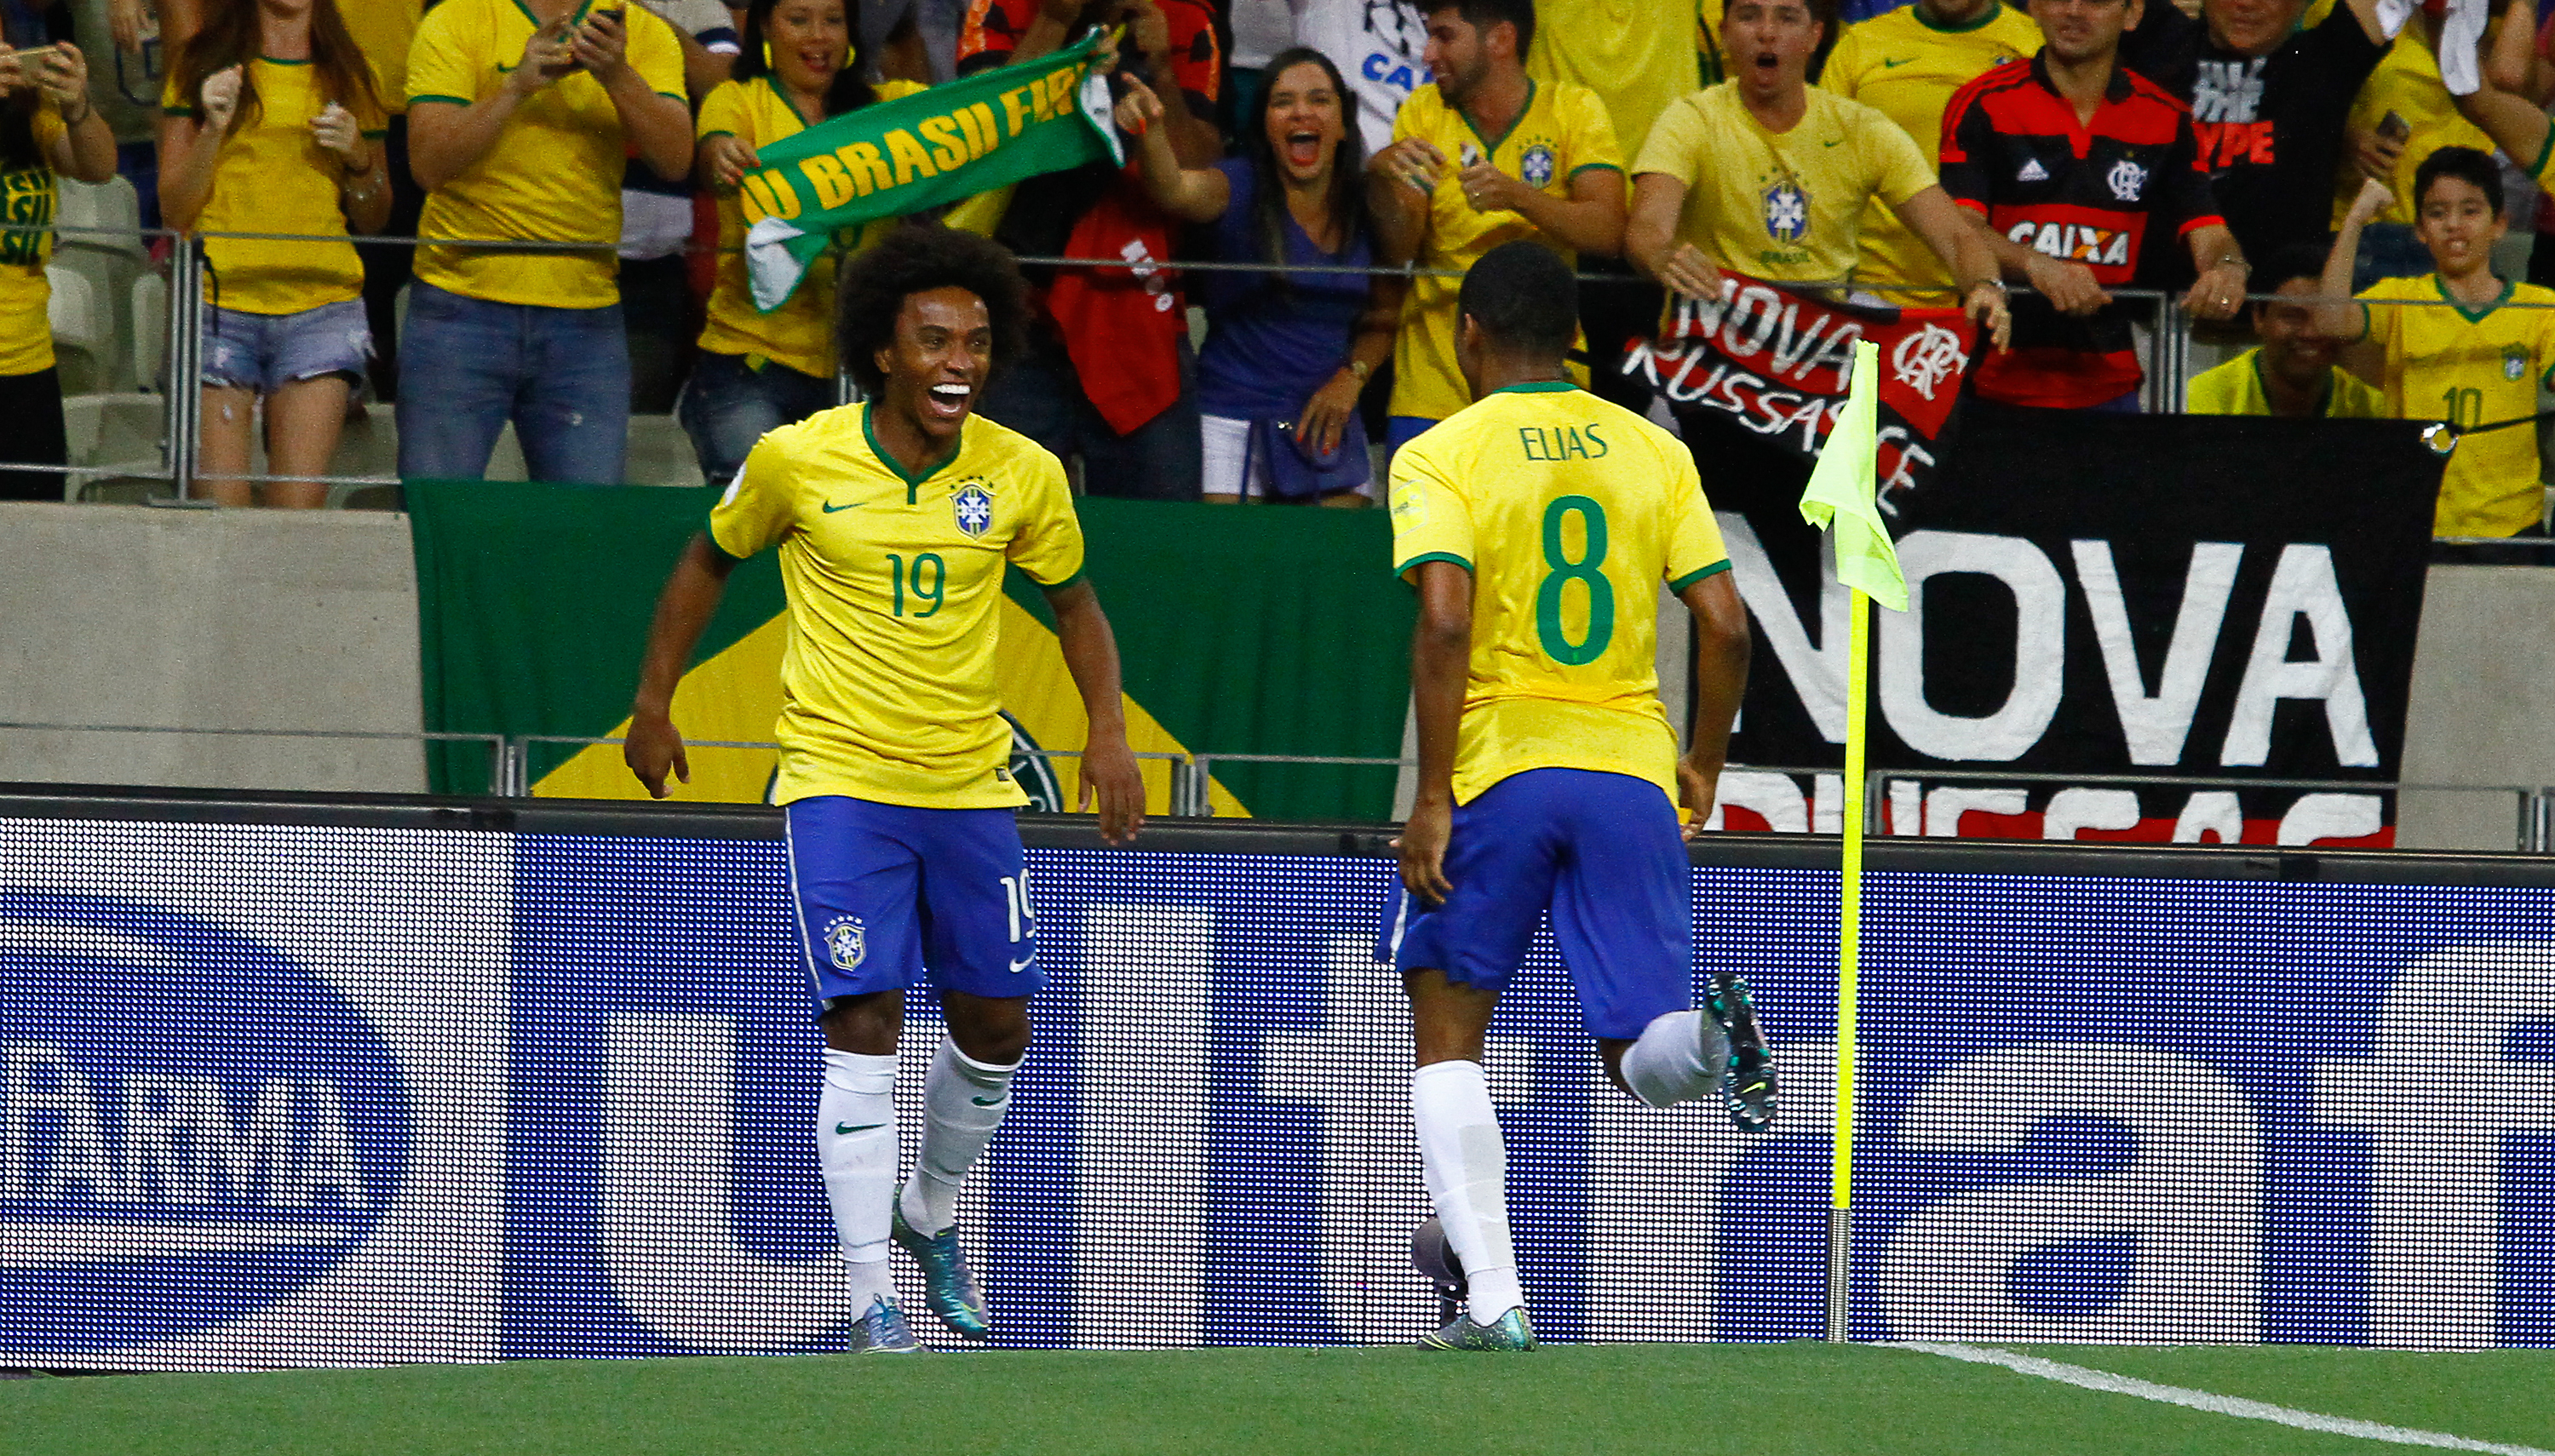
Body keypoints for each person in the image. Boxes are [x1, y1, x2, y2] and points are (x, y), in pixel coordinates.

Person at [623, 226, 1146, 1354]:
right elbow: (706, 560)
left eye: (975, 341)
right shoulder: (797, 460)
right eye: (933, 340)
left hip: (970, 785)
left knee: (998, 1024)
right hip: (840, 782)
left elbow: (1078, 605)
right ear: (884, 349)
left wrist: (1107, 731)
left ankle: (930, 1207)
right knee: (865, 1019)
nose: (958, 361)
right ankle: (871, 1298)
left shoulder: (1022, 473)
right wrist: (654, 701)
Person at [1381, 240, 1762, 1352]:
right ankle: (1709, 1033)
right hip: (1632, 772)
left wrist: (1435, 793)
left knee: (1449, 1036)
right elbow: (1727, 622)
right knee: (1642, 1051)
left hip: (1501, 766)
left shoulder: (1441, 450)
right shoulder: (1654, 451)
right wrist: (1701, 764)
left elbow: (1446, 618)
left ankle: (1495, 1299)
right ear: (1574, 339)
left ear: (1468, 336)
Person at [399, 0, 692, 483]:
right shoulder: (457, 18)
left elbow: (676, 160)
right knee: (436, 520)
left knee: (583, 533)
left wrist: (616, 75)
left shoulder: (644, 34)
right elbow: (429, 164)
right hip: (460, 307)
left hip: (586, 317)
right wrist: (515, 87)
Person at [959, 0, 1221, 500]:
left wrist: (1162, 69)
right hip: (1019, 318)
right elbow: (976, 143)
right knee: (1006, 532)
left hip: (1137, 313)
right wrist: (1054, 23)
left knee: (1160, 544)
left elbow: (1201, 169)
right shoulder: (997, 6)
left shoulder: (1185, 17)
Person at [1115, 46, 1398, 502]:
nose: (1301, 111)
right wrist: (1152, 133)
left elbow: (1387, 314)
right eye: (1282, 102)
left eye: (1320, 100)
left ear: (1344, 125)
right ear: (1264, 126)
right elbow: (1174, 189)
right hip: (1228, 417)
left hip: (1330, 415)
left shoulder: (1369, 204)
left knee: (1333, 566)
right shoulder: (1238, 184)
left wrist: (1352, 378)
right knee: (1228, 567)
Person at [1938, 0, 2249, 410]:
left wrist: (2227, 269)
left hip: (2110, 382)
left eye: (2097, 0)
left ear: (2133, 13)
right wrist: (2039, 267)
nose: (2074, 10)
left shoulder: (2167, 119)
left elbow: (2209, 230)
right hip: (1990, 377)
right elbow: (1960, 228)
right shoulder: (1980, 104)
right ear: (2034, 6)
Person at [681, 0, 928, 485]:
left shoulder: (891, 107)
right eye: (799, 20)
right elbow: (715, 154)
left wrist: (1068, 74)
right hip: (750, 364)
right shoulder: (738, 100)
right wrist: (723, 156)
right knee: (754, 518)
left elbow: (988, 111)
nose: (819, 37)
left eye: (833, 21)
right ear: (766, 29)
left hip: (859, 372)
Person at [159, 0, 390, 508]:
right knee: (219, 521)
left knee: (296, 527)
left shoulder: (353, 70)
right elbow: (175, 210)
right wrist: (213, 131)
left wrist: (359, 157)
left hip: (322, 309)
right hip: (218, 308)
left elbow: (375, 215)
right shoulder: (198, 64)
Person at [1367, 0, 1626, 451]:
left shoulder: (1573, 109)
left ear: (1501, 40)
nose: (1427, 53)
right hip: (1430, 388)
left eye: (1445, 36)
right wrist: (1379, 180)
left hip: (1548, 385)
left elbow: (1608, 231)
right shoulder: (1423, 110)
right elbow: (1399, 249)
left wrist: (1516, 195)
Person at [2319, 150, 2555, 539]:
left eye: (2470, 211)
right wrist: (2357, 218)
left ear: (2499, 225)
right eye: (2437, 213)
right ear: (2420, 230)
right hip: (2415, 519)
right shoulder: (2398, 298)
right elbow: (2330, 321)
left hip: (2513, 523)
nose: (2454, 226)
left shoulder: (2540, 306)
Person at [2113, 0, 2390, 273]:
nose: (2246, 3)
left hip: (2277, 307)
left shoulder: (2324, 60)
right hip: (2149, 302)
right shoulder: (2158, 36)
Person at [1817, 0, 2043, 305]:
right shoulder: (1860, 44)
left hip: (1991, 299)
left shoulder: (2035, 45)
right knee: (1864, 355)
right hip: (1872, 296)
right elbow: (1820, 170)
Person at [0, 35, 116, 502]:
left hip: (28, 365)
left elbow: (98, 166)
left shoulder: (27, 109)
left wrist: (77, 107)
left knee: (37, 545)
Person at [620, 0, 740, 415]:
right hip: (556, 246)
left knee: (638, 429)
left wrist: (637, 18)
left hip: (652, 264)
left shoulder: (697, 8)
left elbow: (724, 82)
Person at [2185, 242, 2387, 416]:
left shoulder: (2371, 407)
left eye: (2324, 318)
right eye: (2292, 316)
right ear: (2259, 318)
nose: (2310, 333)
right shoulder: (2203, 399)